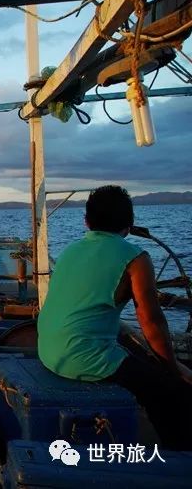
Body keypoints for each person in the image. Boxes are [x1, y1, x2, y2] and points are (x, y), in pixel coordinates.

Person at [38, 185, 192, 449]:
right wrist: (174, 369)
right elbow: (151, 322)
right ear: (129, 226)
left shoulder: (70, 251)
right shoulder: (135, 258)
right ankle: (177, 459)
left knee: (137, 359)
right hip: (83, 359)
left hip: (49, 352)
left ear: (87, 221)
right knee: (170, 392)